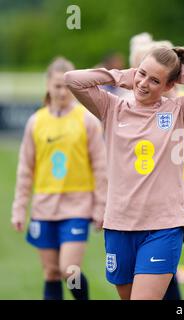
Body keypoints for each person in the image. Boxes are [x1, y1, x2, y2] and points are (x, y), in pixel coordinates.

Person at [65, 45, 184, 300]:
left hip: (163, 226)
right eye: (141, 74)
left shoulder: (179, 111)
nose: (143, 84)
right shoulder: (110, 107)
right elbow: (72, 80)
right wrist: (119, 76)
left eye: (155, 80)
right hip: (118, 225)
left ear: (169, 85)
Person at [128, 33, 184, 300]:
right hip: (137, 203)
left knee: (162, 274)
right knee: (150, 276)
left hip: (177, 199)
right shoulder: (132, 105)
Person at [11, 57, 107, 300]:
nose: (62, 92)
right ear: (48, 86)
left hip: (77, 207)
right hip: (44, 208)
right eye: (57, 86)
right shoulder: (36, 122)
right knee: (51, 273)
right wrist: (19, 209)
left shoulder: (86, 120)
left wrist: (100, 206)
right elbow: (25, 168)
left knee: (69, 269)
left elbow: (100, 167)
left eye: (67, 86)